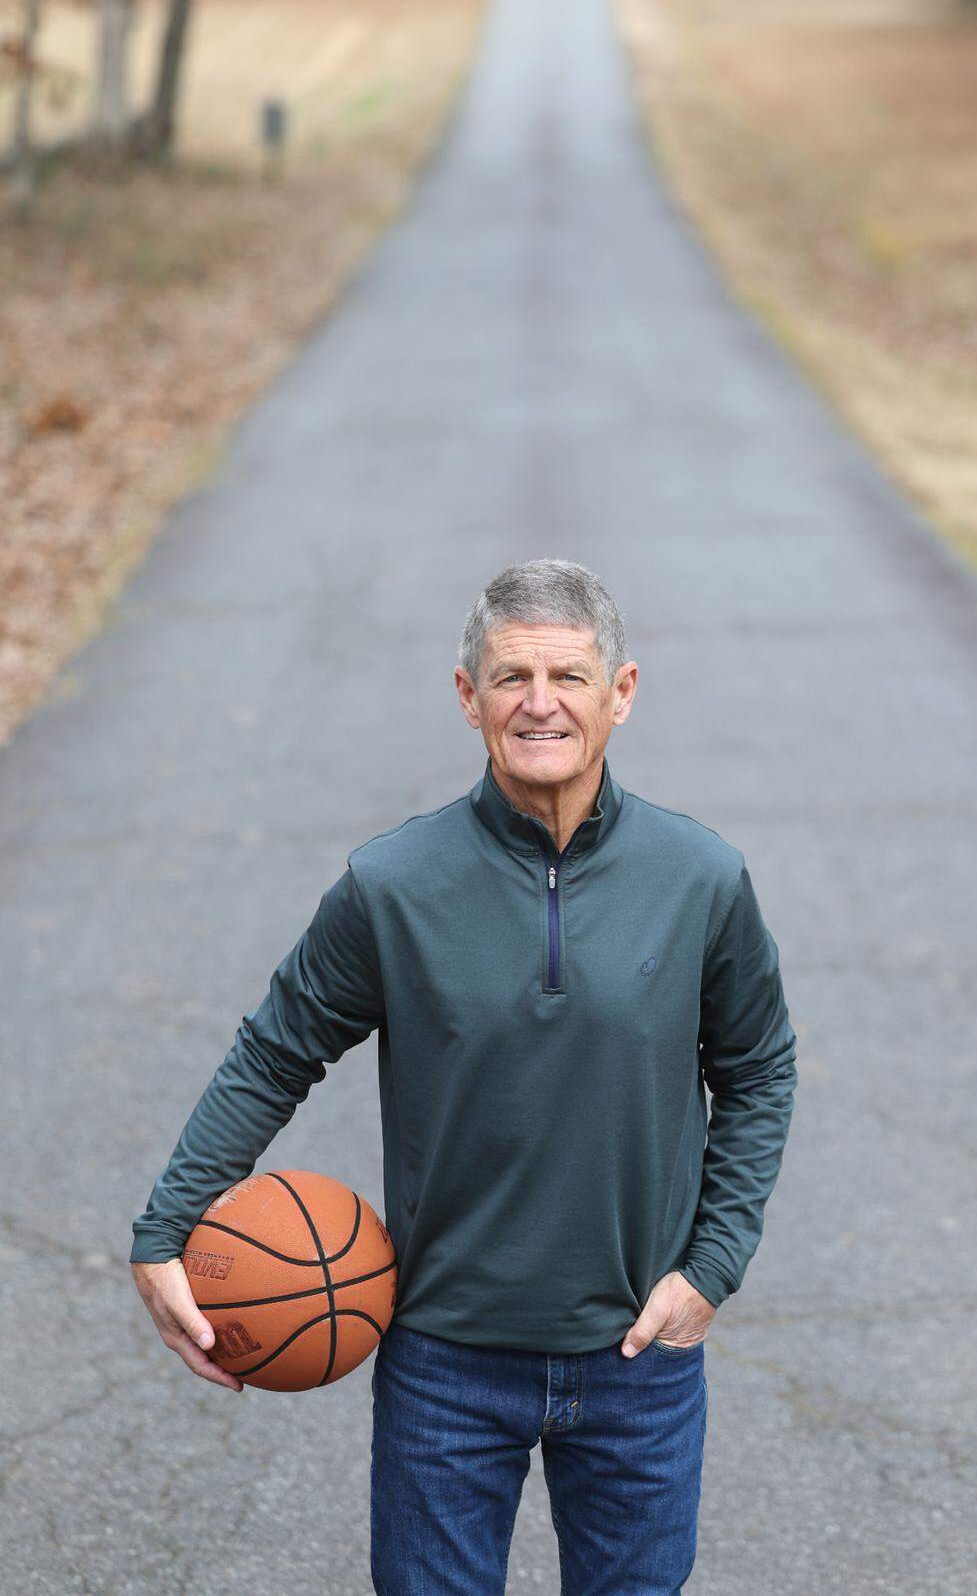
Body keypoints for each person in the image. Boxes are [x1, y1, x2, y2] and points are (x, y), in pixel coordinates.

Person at [130, 555, 798, 1595]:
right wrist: (164, 1229)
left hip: (639, 1358)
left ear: (621, 692)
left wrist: (712, 1266)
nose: (540, 703)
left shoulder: (700, 878)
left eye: (570, 676)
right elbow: (276, 1050)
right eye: (511, 676)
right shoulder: (392, 886)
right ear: (467, 695)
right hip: (443, 1361)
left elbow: (757, 1068)